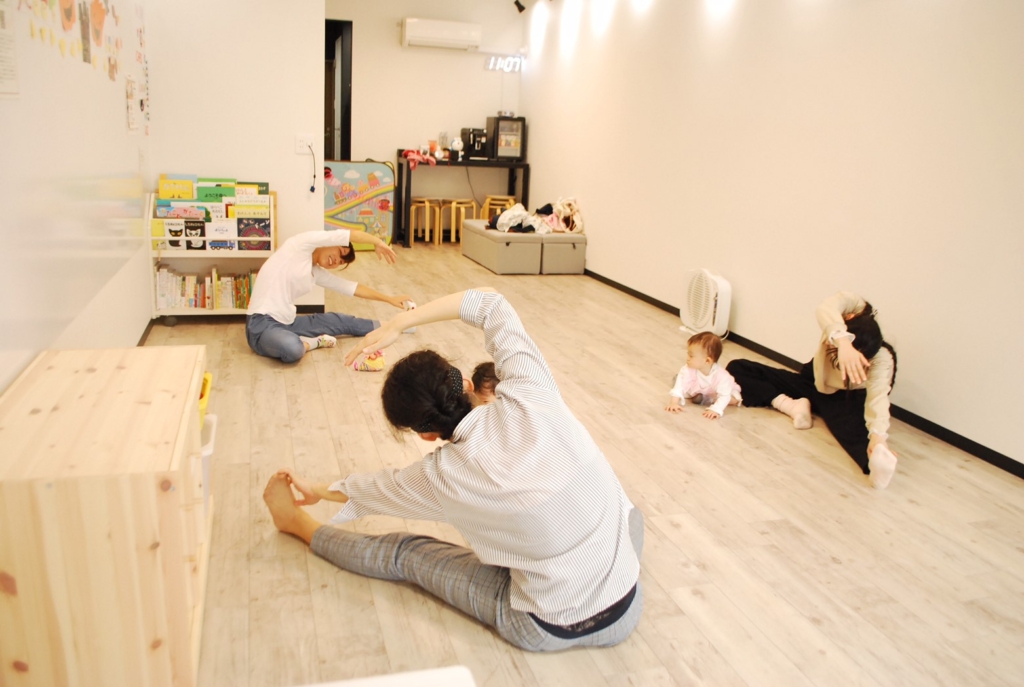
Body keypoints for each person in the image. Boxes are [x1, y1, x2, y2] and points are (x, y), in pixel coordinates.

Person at [262, 288, 644, 652]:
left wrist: (315, 489)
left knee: (404, 553)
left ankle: (297, 523)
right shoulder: (532, 389)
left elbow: (370, 490)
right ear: (466, 383)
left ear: (425, 435)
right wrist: (401, 321)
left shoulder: (442, 477)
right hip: (628, 604)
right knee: (620, 507)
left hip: (546, 627)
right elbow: (490, 304)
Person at [726, 291, 899, 488]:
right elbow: (825, 308)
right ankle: (791, 405)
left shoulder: (882, 355)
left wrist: (878, 437)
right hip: (812, 380)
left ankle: (876, 463)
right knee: (739, 368)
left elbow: (878, 397)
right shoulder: (853, 307)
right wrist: (843, 342)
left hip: (843, 397)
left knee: (860, 436)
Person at [245, 229, 410, 363]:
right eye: (340, 252)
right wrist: (378, 242)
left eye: (341, 262)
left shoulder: (315, 272)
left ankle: (397, 325)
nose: (336, 261)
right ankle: (312, 342)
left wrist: (390, 299)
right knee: (292, 348)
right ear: (331, 243)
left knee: (340, 321)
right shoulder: (300, 245)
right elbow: (352, 234)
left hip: (288, 322)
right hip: (261, 324)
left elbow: (351, 287)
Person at [665, 331, 742, 420]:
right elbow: (679, 387)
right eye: (688, 354)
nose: (687, 358)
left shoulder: (722, 377)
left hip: (715, 392)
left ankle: (707, 399)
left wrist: (715, 410)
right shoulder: (688, 369)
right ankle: (701, 396)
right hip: (697, 386)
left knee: (732, 397)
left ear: (707, 361)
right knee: (681, 384)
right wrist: (674, 403)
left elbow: (724, 396)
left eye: (691, 356)